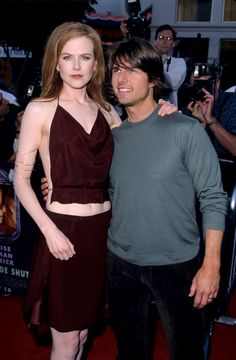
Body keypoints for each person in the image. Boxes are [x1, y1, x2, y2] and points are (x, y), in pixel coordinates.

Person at [13, 22, 176, 360]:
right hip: (63, 232)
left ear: (96, 63)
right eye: (67, 57)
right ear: (56, 63)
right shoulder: (40, 109)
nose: (76, 66)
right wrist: (50, 230)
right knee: (67, 339)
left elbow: (139, 141)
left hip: (103, 235)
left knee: (84, 332)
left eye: (84, 57)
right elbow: (21, 178)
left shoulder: (108, 112)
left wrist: (165, 112)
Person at [105, 37, 228, 360]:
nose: (121, 79)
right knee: (130, 353)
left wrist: (211, 266)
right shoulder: (111, 137)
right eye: (117, 70)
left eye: (132, 70)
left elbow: (213, 198)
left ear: (154, 80)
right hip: (121, 265)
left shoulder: (185, 130)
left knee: (186, 353)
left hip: (177, 265)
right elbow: (109, 193)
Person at [186, 68, 236, 194]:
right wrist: (201, 125)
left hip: (228, 180)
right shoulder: (190, 108)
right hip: (198, 181)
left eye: (205, 84)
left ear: (217, 83)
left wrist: (211, 121)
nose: (201, 90)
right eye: (196, 85)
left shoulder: (232, 103)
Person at [154, 24, 187, 107]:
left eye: (169, 39)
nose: (164, 42)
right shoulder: (148, 60)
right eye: (161, 38)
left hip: (169, 110)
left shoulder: (179, 62)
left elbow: (174, 83)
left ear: (173, 44)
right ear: (155, 41)